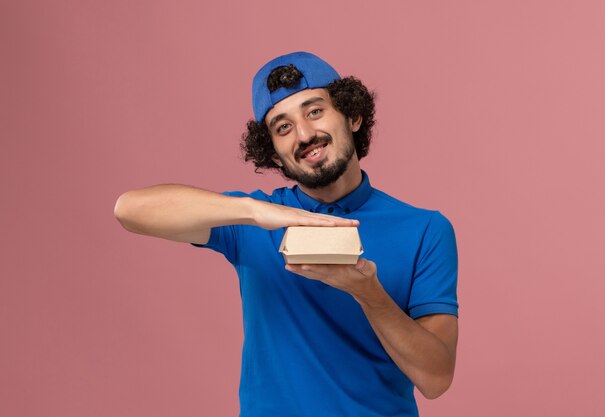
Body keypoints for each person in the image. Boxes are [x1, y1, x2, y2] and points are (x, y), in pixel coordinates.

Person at [114, 51, 459, 417]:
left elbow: (436, 379)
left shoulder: (425, 229)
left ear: (353, 116)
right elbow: (128, 210)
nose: (305, 134)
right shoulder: (252, 222)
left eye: (314, 111)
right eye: (283, 127)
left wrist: (368, 293)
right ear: (274, 155)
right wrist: (253, 210)